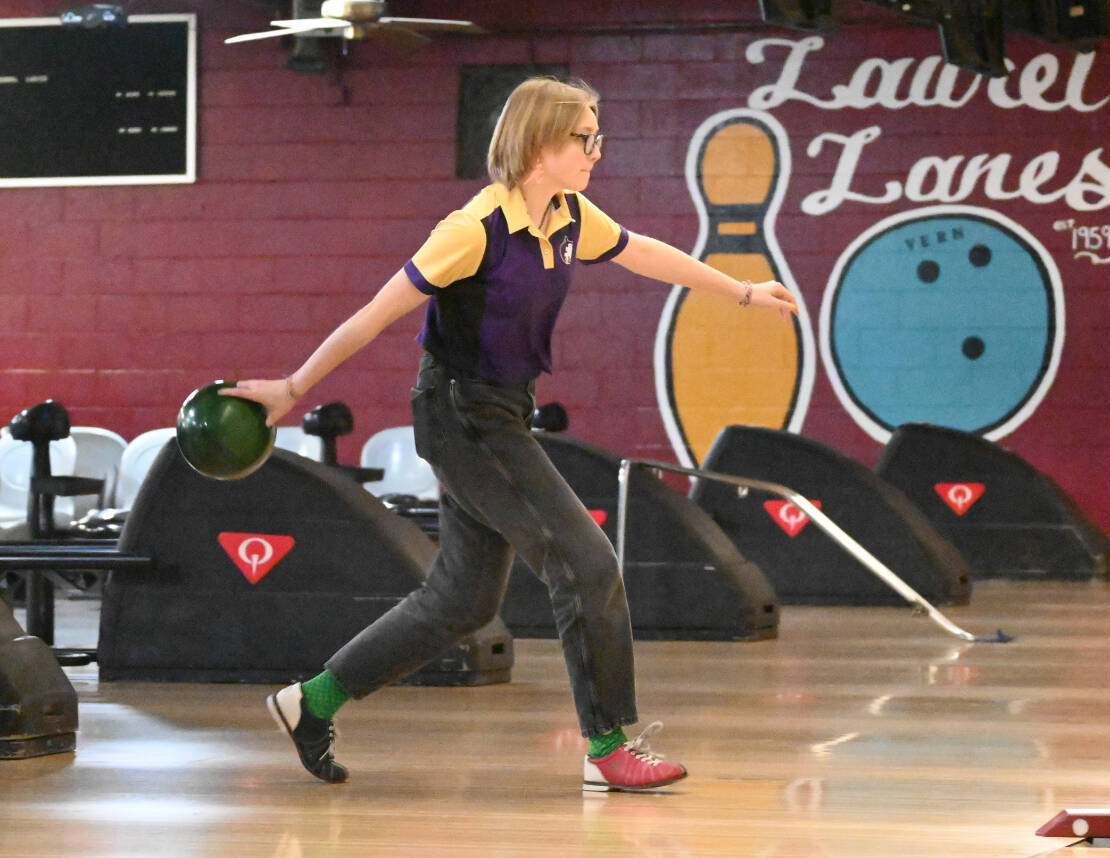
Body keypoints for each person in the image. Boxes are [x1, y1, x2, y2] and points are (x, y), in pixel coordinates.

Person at [222, 76, 799, 792]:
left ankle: (310, 703)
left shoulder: (567, 215)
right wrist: (293, 387)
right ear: (538, 147)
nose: (597, 150)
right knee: (587, 562)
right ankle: (608, 745)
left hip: (502, 410)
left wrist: (742, 292)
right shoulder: (472, 231)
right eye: (584, 138)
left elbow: (641, 250)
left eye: (597, 136)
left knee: (464, 600)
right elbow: (375, 316)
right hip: (462, 413)